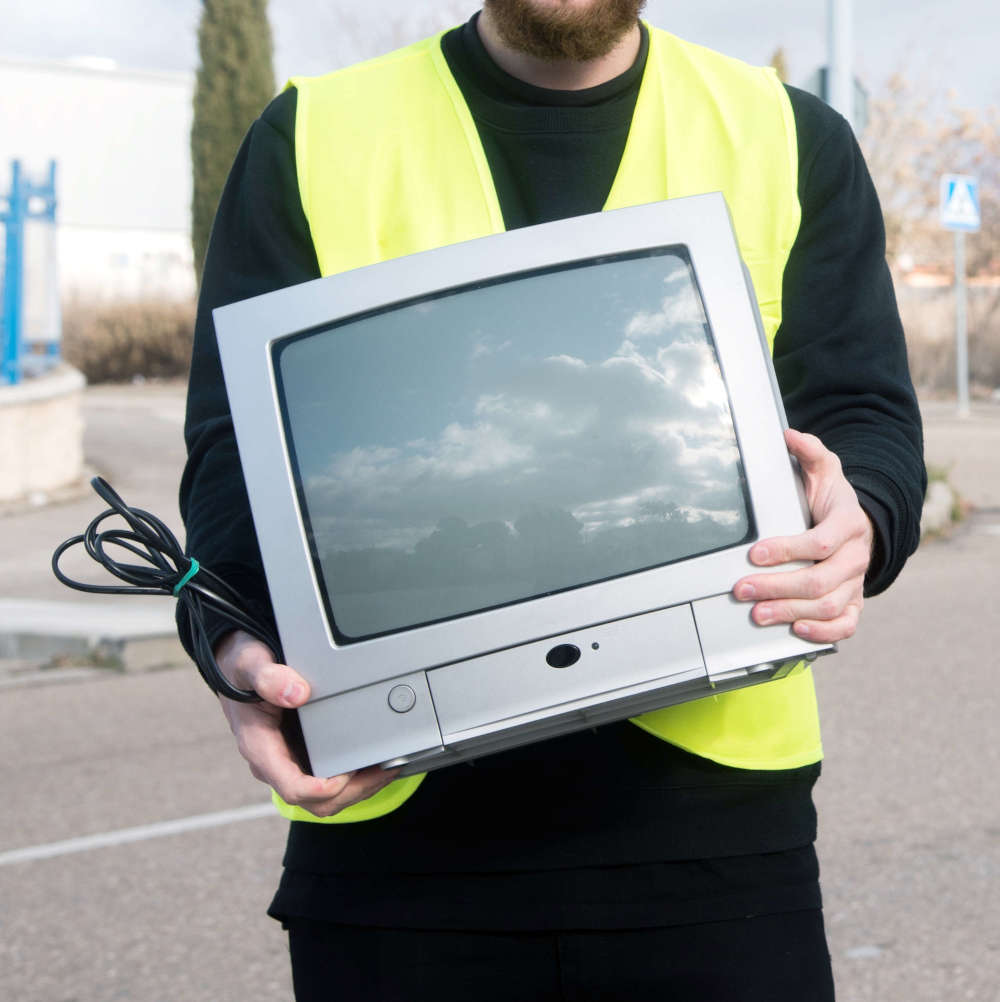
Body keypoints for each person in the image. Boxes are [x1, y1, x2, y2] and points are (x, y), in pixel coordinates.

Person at [179, 2, 925, 998]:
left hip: (714, 853)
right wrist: (230, 646)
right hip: (396, 854)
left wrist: (860, 517)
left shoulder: (789, 135)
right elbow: (231, 462)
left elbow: (865, 416)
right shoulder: (309, 135)